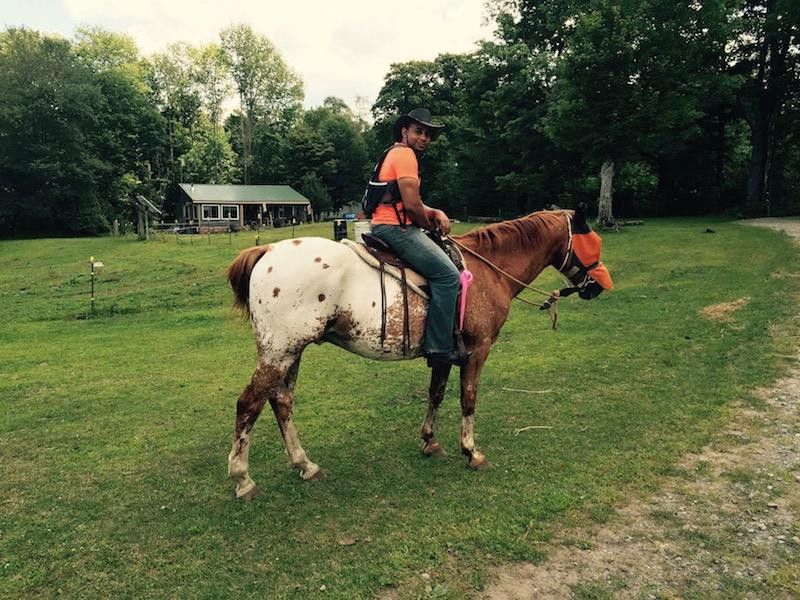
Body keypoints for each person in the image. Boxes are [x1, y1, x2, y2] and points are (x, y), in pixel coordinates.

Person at [370, 108, 470, 366]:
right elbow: (412, 207)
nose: (424, 137)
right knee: (448, 276)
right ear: (404, 132)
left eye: (428, 134)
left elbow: (410, 202)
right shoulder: (405, 156)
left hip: (386, 224)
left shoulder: (392, 153)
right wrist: (428, 225)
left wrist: (434, 211)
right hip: (396, 229)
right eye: (418, 131)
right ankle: (438, 348)